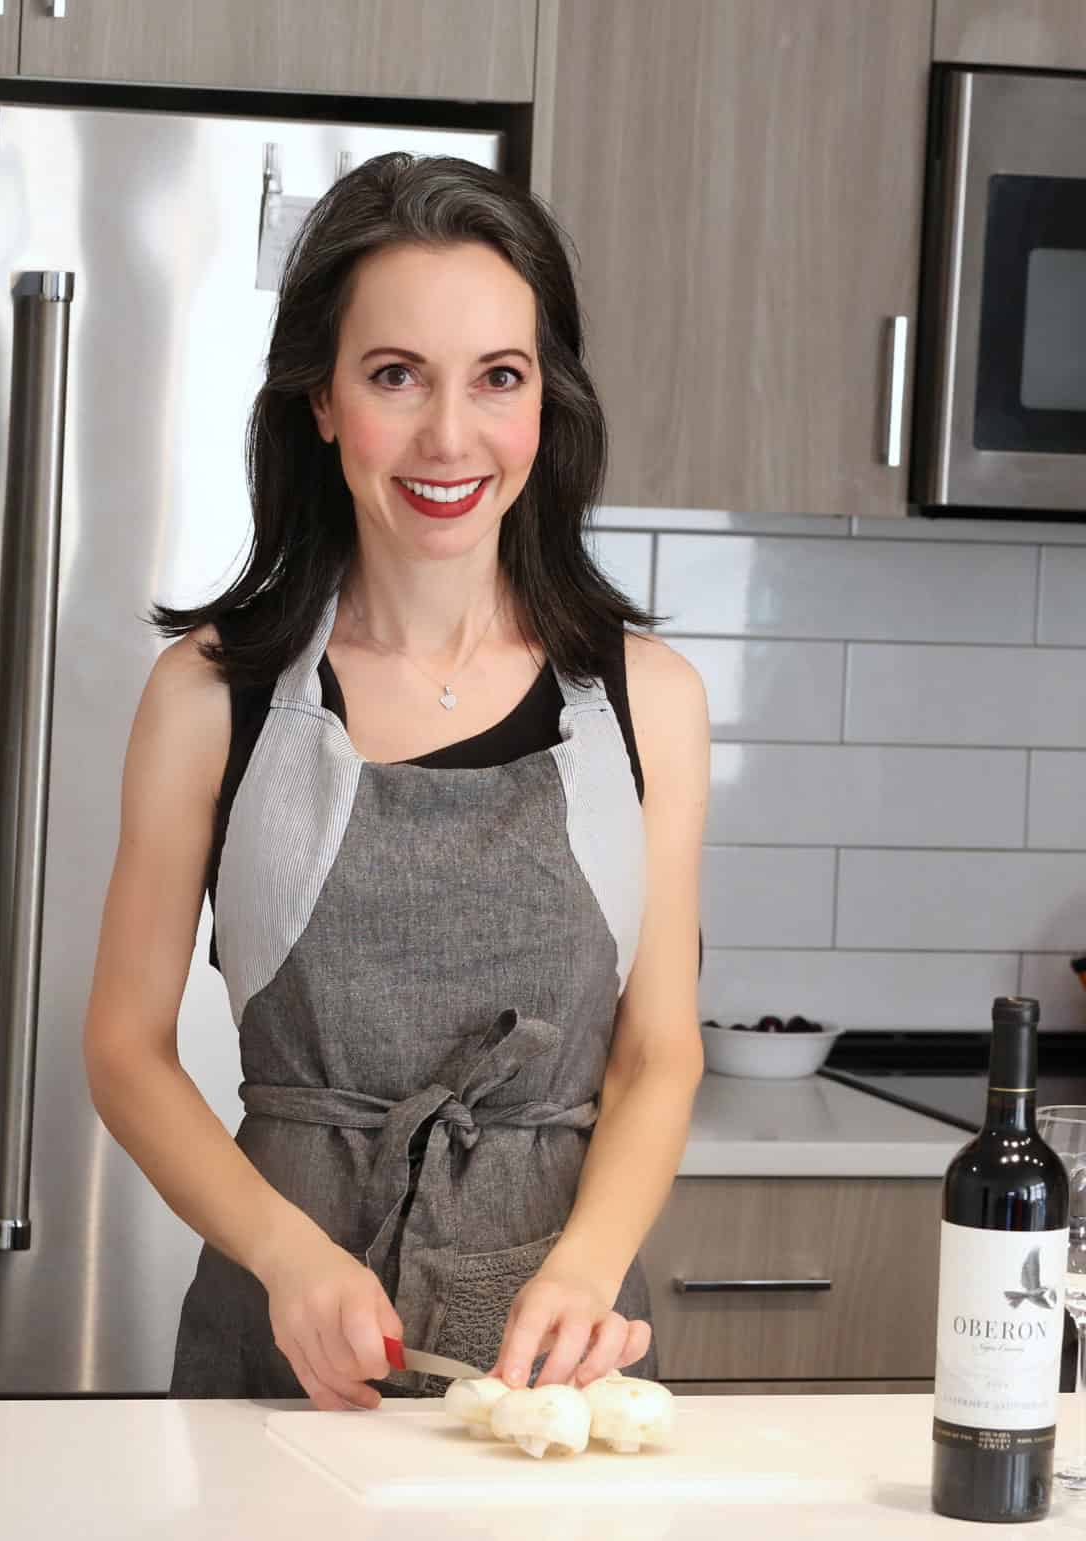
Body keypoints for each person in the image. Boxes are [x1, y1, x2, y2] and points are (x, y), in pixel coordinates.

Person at [82, 152, 709, 1411]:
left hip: (563, 1373)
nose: (448, 437)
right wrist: (287, 1256)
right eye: (394, 377)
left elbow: (656, 1055)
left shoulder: (648, 702)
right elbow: (124, 1046)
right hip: (286, 1354)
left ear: (548, 403)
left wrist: (586, 1271)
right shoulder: (214, 697)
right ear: (321, 401)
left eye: (498, 379)